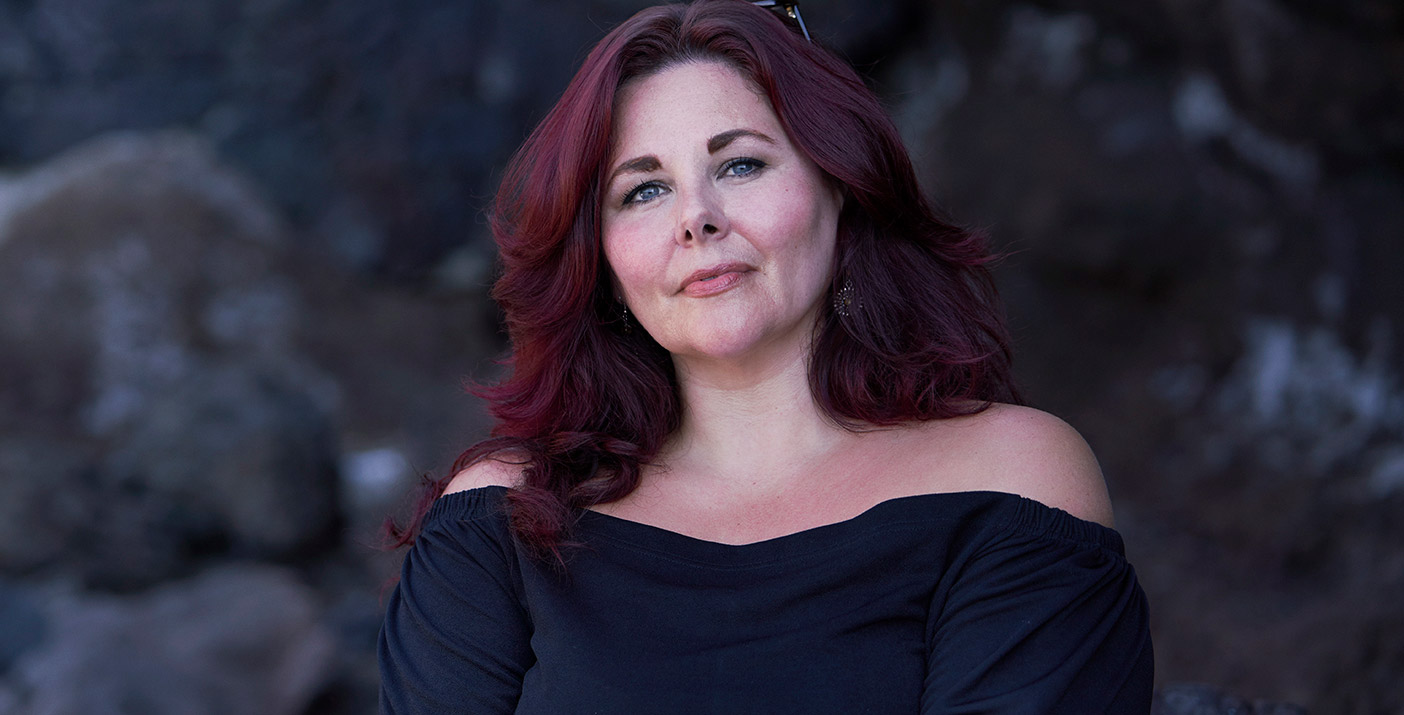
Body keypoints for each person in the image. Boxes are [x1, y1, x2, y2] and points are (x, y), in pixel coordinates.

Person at [376, 0, 1153, 712]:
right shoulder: (500, 517)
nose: (697, 218)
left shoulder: (1011, 479)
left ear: (839, 186)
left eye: (741, 164)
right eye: (642, 191)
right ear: (603, 259)